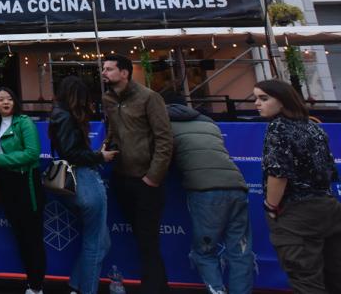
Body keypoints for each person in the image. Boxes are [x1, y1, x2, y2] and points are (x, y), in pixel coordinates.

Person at [255, 79, 341, 293]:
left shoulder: (278, 128)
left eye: (264, 98)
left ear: (282, 101)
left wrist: (270, 205)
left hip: (297, 213)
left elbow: (278, 172)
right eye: (256, 98)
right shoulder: (313, 127)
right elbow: (329, 170)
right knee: (334, 275)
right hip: (328, 207)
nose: (257, 103)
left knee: (305, 279)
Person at [161, 91, 252, 294]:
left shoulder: (164, 124)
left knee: (204, 252)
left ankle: (217, 291)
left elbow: (162, 157)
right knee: (240, 251)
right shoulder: (209, 123)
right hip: (236, 186)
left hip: (205, 191)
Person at [101, 54, 173, 294]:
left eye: (110, 69)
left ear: (125, 72)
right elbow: (113, 127)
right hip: (121, 177)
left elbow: (164, 139)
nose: (104, 73)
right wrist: (107, 144)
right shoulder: (108, 98)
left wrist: (153, 176)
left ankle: (155, 289)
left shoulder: (149, 97)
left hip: (146, 180)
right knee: (137, 237)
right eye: (104, 69)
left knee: (148, 241)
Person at [49, 76, 117, 294]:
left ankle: (76, 286)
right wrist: (99, 157)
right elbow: (72, 153)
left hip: (69, 184)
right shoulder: (68, 117)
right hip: (85, 179)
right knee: (95, 243)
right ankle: (86, 290)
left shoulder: (58, 115)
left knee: (101, 241)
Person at [0, 87, 46, 294]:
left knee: (32, 236)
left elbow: (32, 153)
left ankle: (37, 285)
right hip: (6, 184)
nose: (5, 102)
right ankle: (31, 281)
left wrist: (0, 159)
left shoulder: (24, 122)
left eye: (9, 98)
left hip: (25, 183)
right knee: (19, 235)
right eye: (1, 99)